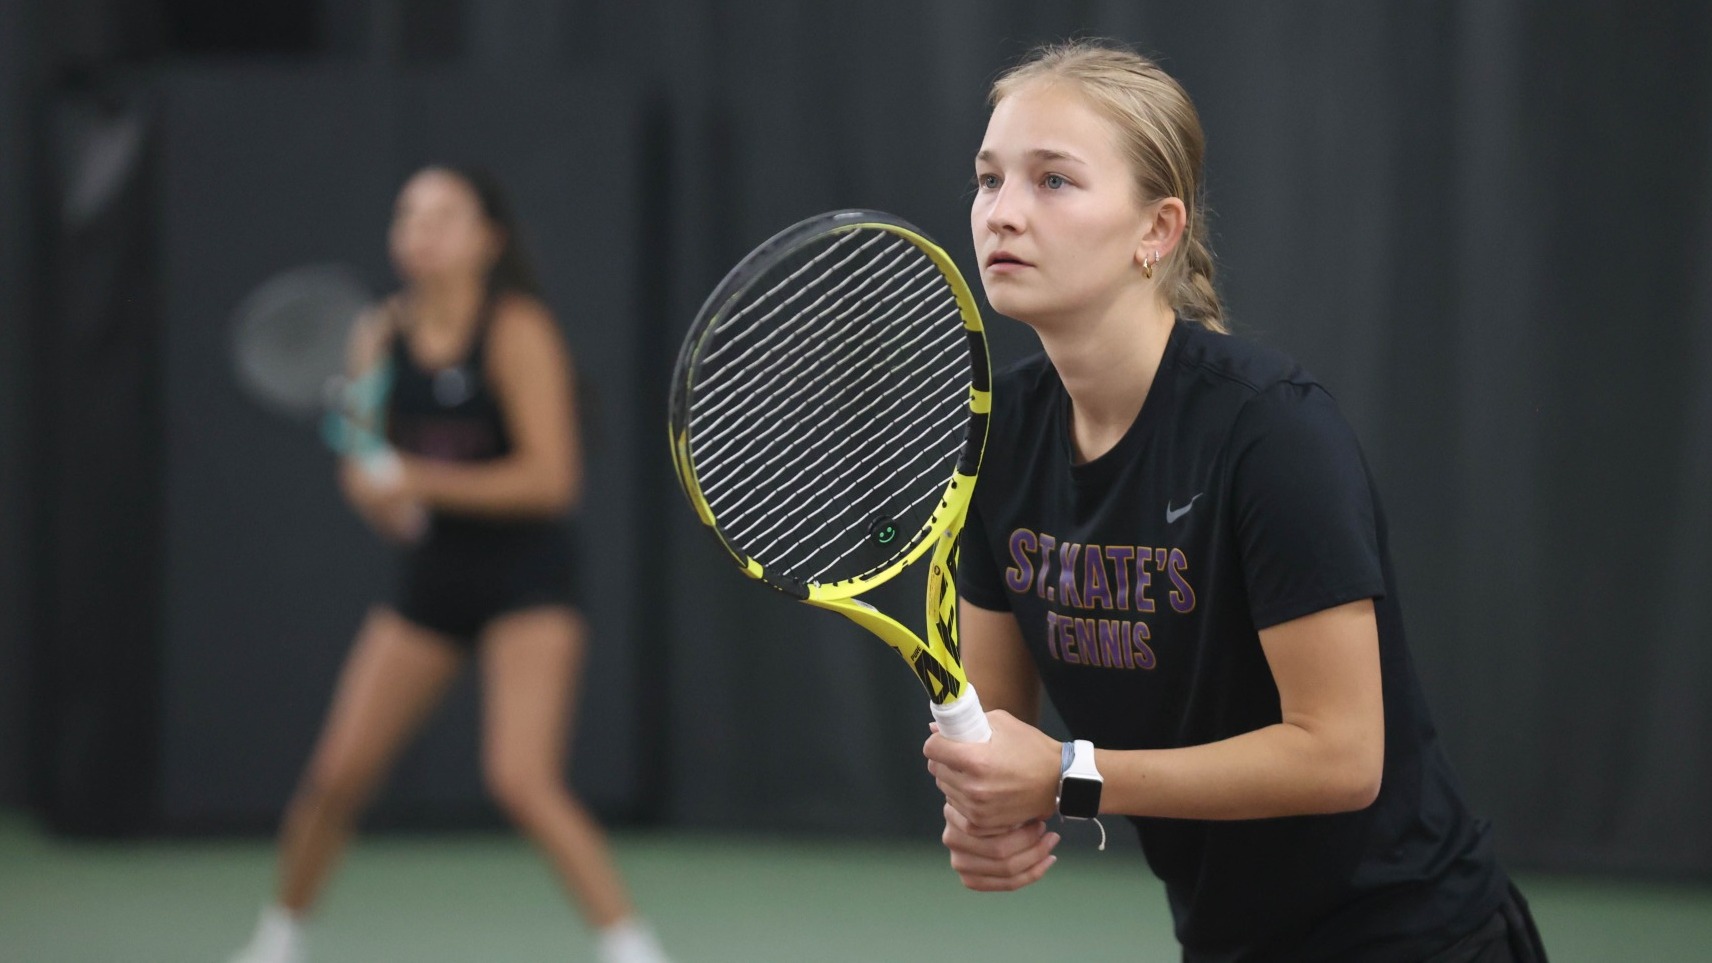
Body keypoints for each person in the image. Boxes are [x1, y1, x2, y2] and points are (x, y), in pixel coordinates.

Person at [920, 41, 1548, 962]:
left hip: (1416, 937)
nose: (1002, 212)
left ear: (1158, 230)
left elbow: (1340, 753)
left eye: (1053, 181)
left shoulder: (1271, 432)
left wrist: (1067, 777)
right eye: (988, 178)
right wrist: (986, 803)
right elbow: (1000, 723)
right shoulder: (995, 435)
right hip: (1225, 939)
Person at [228, 165, 672, 963]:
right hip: (433, 580)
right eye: (408, 214)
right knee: (335, 776)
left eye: (444, 215)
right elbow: (363, 464)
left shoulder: (517, 330)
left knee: (520, 778)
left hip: (528, 581)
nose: (421, 230)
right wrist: (378, 494)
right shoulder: (377, 334)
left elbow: (552, 478)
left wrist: (418, 477)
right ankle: (277, 940)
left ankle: (632, 946)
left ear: (487, 239)